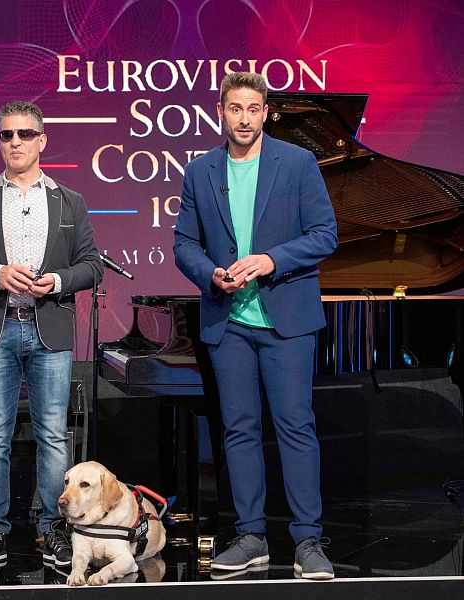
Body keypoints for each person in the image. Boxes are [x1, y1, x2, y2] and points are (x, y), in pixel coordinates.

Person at [173, 72, 338, 580]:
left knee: (296, 428)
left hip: (285, 320)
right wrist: (210, 273)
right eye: (234, 108)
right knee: (239, 431)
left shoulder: (298, 162)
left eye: (253, 108)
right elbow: (185, 245)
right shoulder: (201, 171)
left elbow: (325, 234)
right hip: (229, 323)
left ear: (266, 112)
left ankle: (308, 540)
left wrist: (270, 260)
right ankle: (251, 537)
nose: (244, 118)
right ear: (220, 112)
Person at [0, 100, 102, 569]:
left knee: (54, 435)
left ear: (42, 141)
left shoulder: (69, 200)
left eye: (24, 134)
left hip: (49, 328)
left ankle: (53, 529)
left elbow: (91, 265)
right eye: (6, 135)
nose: (15, 142)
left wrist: (56, 280)